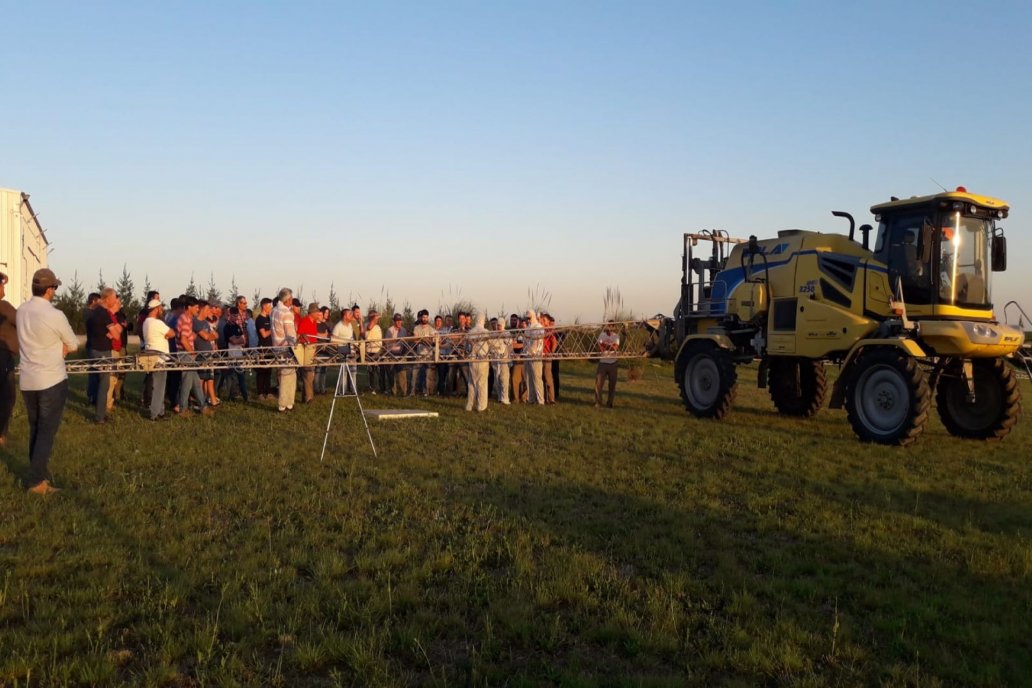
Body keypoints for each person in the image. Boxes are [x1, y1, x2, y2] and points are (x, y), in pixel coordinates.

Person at [17, 269, 79, 495]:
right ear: (50, 289)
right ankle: (36, 481)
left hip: (27, 380)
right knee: (46, 432)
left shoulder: (22, 310)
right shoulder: (55, 315)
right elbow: (72, 344)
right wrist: (60, 348)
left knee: (35, 429)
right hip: (51, 379)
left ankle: (37, 474)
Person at [87, 288, 123, 424]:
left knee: (97, 381)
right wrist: (112, 332)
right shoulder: (104, 314)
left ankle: (99, 412)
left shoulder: (93, 312)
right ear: (107, 299)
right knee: (104, 384)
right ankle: (100, 417)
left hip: (93, 348)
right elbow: (116, 334)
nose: (116, 301)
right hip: (102, 351)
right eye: (114, 298)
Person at [141, 298, 176, 420]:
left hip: (150, 355)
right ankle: (155, 413)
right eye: (160, 308)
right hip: (159, 358)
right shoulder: (157, 323)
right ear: (156, 309)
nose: (162, 310)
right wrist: (166, 334)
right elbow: (172, 333)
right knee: (159, 387)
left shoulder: (146, 322)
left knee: (157, 385)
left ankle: (160, 411)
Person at [176, 296, 211, 416]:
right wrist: (192, 352)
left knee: (196, 382)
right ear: (189, 307)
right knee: (187, 381)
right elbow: (183, 339)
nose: (197, 309)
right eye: (196, 307)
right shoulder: (185, 318)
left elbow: (188, 336)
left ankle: (203, 407)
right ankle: (183, 409)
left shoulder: (188, 319)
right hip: (185, 353)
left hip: (187, 353)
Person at [272, 288, 298, 412]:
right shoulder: (286, 313)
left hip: (276, 346)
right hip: (286, 348)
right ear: (288, 299)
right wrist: (296, 346)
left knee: (286, 375)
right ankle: (285, 404)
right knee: (289, 376)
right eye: (291, 298)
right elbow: (290, 333)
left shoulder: (274, 310)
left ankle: (287, 403)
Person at [0, 273, 18, 446]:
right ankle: (1, 433)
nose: (4, 288)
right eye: (2, 286)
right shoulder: (3, 307)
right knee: (7, 396)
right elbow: (22, 320)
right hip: (3, 356)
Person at [466, 313, 491, 412]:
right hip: (483, 359)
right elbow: (491, 344)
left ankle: (469, 405)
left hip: (472, 359)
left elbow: (467, 346)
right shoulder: (486, 332)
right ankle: (481, 406)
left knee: (471, 382)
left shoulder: (471, 332)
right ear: (483, 320)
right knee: (482, 383)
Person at [297, 303, 322, 402]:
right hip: (306, 351)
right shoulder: (305, 321)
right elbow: (299, 336)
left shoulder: (314, 322)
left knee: (310, 375)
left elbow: (314, 337)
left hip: (312, 350)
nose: (318, 314)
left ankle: (305, 397)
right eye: (317, 312)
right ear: (312, 312)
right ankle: (309, 398)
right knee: (308, 374)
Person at [331, 307, 357, 394]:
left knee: (353, 370)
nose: (351, 315)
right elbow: (333, 341)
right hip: (343, 351)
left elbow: (351, 338)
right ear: (345, 316)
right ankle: (342, 391)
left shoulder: (351, 325)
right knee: (344, 371)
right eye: (349, 314)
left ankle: (353, 390)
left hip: (352, 351)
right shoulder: (338, 326)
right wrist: (341, 348)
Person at [595, 322, 620, 408]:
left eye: (612, 326)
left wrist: (605, 345)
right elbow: (599, 347)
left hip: (613, 362)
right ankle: (598, 402)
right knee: (598, 384)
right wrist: (609, 346)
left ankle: (610, 403)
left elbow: (615, 348)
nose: (609, 328)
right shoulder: (602, 335)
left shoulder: (616, 336)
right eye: (608, 326)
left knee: (612, 385)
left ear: (614, 327)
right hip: (603, 362)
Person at [523, 310, 545, 404]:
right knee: (528, 378)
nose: (528, 320)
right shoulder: (527, 328)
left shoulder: (539, 327)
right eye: (527, 318)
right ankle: (531, 399)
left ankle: (540, 400)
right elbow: (525, 342)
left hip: (536, 355)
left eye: (529, 318)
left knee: (537, 378)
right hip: (527, 355)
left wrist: (534, 351)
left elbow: (538, 341)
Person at [488, 317, 512, 405]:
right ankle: (499, 397)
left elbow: (509, 344)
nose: (498, 327)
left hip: (504, 359)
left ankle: (505, 398)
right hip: (495, 358)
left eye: (500, 325)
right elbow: (490, 345)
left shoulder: (507, 333)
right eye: (497, 325)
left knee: (504, 378)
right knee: (497, 378)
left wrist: (502, 335)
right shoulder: (492, 334)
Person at [254, 298, 274, 399]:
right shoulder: (259, 320)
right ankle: (260, 393)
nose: (270, 308)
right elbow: (264, 334)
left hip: (270, 347)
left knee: (268, 371)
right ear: (264, 306)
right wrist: (272, 330)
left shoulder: (268, 318)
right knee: (261, 371)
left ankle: (268, 391)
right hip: (262, 347)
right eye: (269, 306)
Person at [412, 309, 435, 396]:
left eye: (426, 317)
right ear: (421, 318)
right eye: (423, 317)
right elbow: (415, 340)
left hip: (428, 355)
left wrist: (422, 339)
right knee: (414, 374)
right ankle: (412, 392)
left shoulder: (431, 329)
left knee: (427, 376)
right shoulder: (416, 328)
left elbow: (432, 341)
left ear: (428, 318)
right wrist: (424, 339)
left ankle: (426, 392)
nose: (425, 319)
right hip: (419, 354)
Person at [385, 313, 409, 395]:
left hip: (401, 353)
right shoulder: (389, 330)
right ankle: (393, 392)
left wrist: (404, 353)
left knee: (402, 373)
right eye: (397, 321)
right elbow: (386, 343)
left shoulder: (404, 330)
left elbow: (406, 342)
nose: (399, 322)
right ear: (394, 321)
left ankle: (404, 392)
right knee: (391, 374)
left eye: (400, 321)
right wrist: (395, 340)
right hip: (391, 353)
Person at [365, 310, 384, 394]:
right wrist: (375, 318)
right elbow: (369, 327)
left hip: (378, 350)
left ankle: (380, 387)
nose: (377, 318)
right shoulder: (367, 325)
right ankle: (372, 388)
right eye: (374, 317)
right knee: (371, 371)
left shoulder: (378, 327)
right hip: (370, 351)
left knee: (378, 370)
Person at [508, 313, 525, 403]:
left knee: (519, 379)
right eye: (511, 320)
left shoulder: (520, 332)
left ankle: (521, 397)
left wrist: (510, 344)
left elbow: (520, 344)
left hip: (520, 358)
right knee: (512, 378)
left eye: (514, 320)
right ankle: (513, 397)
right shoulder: (508, 331)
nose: (513, 322)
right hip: (510, 357)